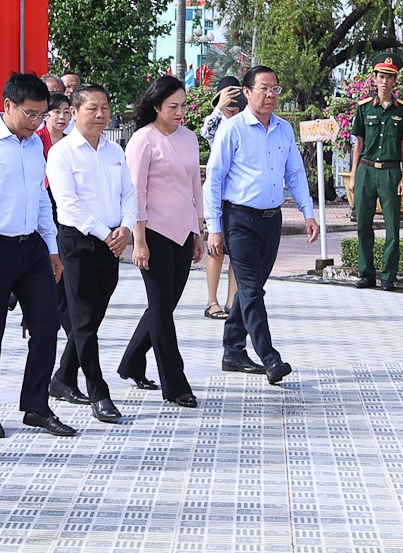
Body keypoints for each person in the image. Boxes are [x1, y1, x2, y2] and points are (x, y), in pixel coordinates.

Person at [0, 72, 74, 439]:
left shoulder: (34, 145)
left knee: (47, 325)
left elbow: (40, 197)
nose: (37, 122)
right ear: (7, 106)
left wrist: (51, 249)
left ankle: (36, 405)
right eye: (31, 114)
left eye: (41, 115)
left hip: (32, 246)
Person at [204, 65, 319, 385]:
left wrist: (309, 213)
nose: (270, 95)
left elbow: (295, 175)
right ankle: (270, 357)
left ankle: (232, 350)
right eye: (263, 89)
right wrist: (214, 227)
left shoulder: (283, 129)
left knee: (250, 289)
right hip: (238, 219)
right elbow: (213, 181)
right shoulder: (232, 128)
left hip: (271, 220)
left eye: (275, 89)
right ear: (247, 92)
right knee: (253, 289)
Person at [47, 84, 137, 422]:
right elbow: (67, 205)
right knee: (83, 320)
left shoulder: (114, 150)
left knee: (92, 318)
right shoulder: (62, 153)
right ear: (74, 112)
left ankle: (63, 377)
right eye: (92, 109)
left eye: (105, 108)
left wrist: (125, 228)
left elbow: (129, 193)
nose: (100, 114)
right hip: (80, 242)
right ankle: (99, 391)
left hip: (113, 242)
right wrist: (107, 233)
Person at [117, 76, 203, 407]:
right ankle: (176, 384)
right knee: (163, 312)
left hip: (183, 232)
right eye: (173, 107)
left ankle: (131, 361)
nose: (181, 112)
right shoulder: (142, 140)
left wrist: (199, 232)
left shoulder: (190, 138)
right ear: (156, 107)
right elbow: (134, 192)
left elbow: (195, 186)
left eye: (183, 105)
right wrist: (138, 240)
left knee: (163, 306)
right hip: (152, 233)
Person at [348, 59, 403, 290]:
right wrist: (354, 173)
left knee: (392, 227)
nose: (384, 81)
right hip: (366, 170)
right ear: (374, 78)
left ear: (395, 80)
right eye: (381, 76)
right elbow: (359, 142)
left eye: (389, 77)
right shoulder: (364, 107)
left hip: (390, 172)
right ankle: (366, 274)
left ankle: (388, 276)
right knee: (363, 225)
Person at [199, 82, 245, 318]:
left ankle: (232, 301)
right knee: (215, 249)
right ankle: (211, 301)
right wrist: (219, 107)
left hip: (239, 197)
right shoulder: (216, 121)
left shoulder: (246, 119)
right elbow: (205, 132)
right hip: (218, 195)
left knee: (236, 253)